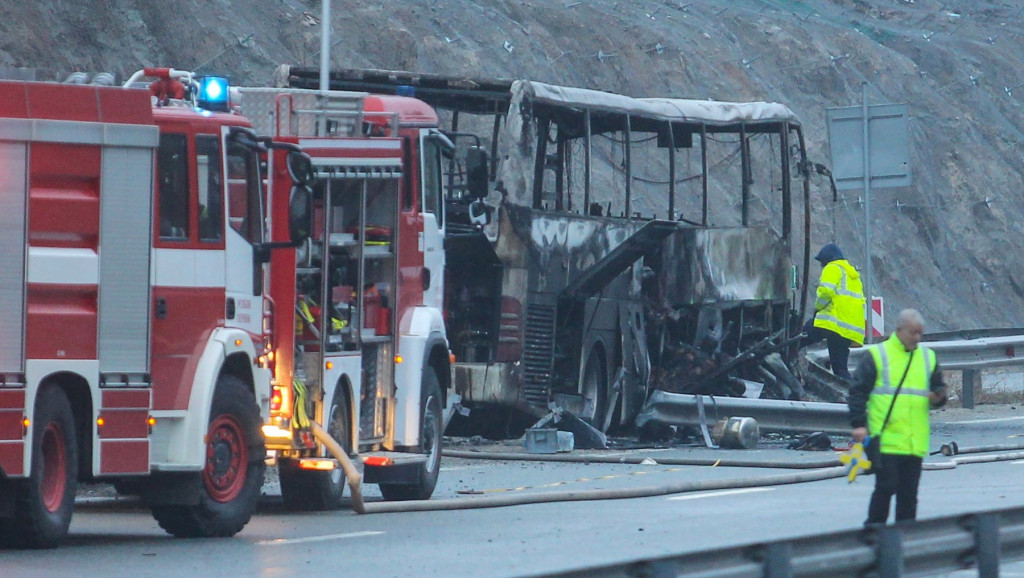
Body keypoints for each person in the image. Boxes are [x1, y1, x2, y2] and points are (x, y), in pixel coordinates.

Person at [849, 309, 948, 526]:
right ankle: (875, 533)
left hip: (914, 441)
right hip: (886, 439)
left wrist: (938, 397)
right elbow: (857, 391)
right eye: (913, 332)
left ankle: (905, 541)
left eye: (920, 333)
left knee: (908, 495)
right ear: (899, 330)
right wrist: (858, 424)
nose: (917, 338)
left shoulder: (927, 357)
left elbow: (939, 390)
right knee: (886, 487)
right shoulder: (878, 355)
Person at [800, 243, 865, 379]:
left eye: (822, 263)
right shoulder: (852, 275)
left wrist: (817, 308)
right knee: (840, 369)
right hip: (847, 329)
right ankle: (852, 395)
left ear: (827, 260)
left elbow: (825, 292)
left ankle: (784, 359)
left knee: (799, 338)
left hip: (832, 323)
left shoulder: (833, 268)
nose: (822, 266)